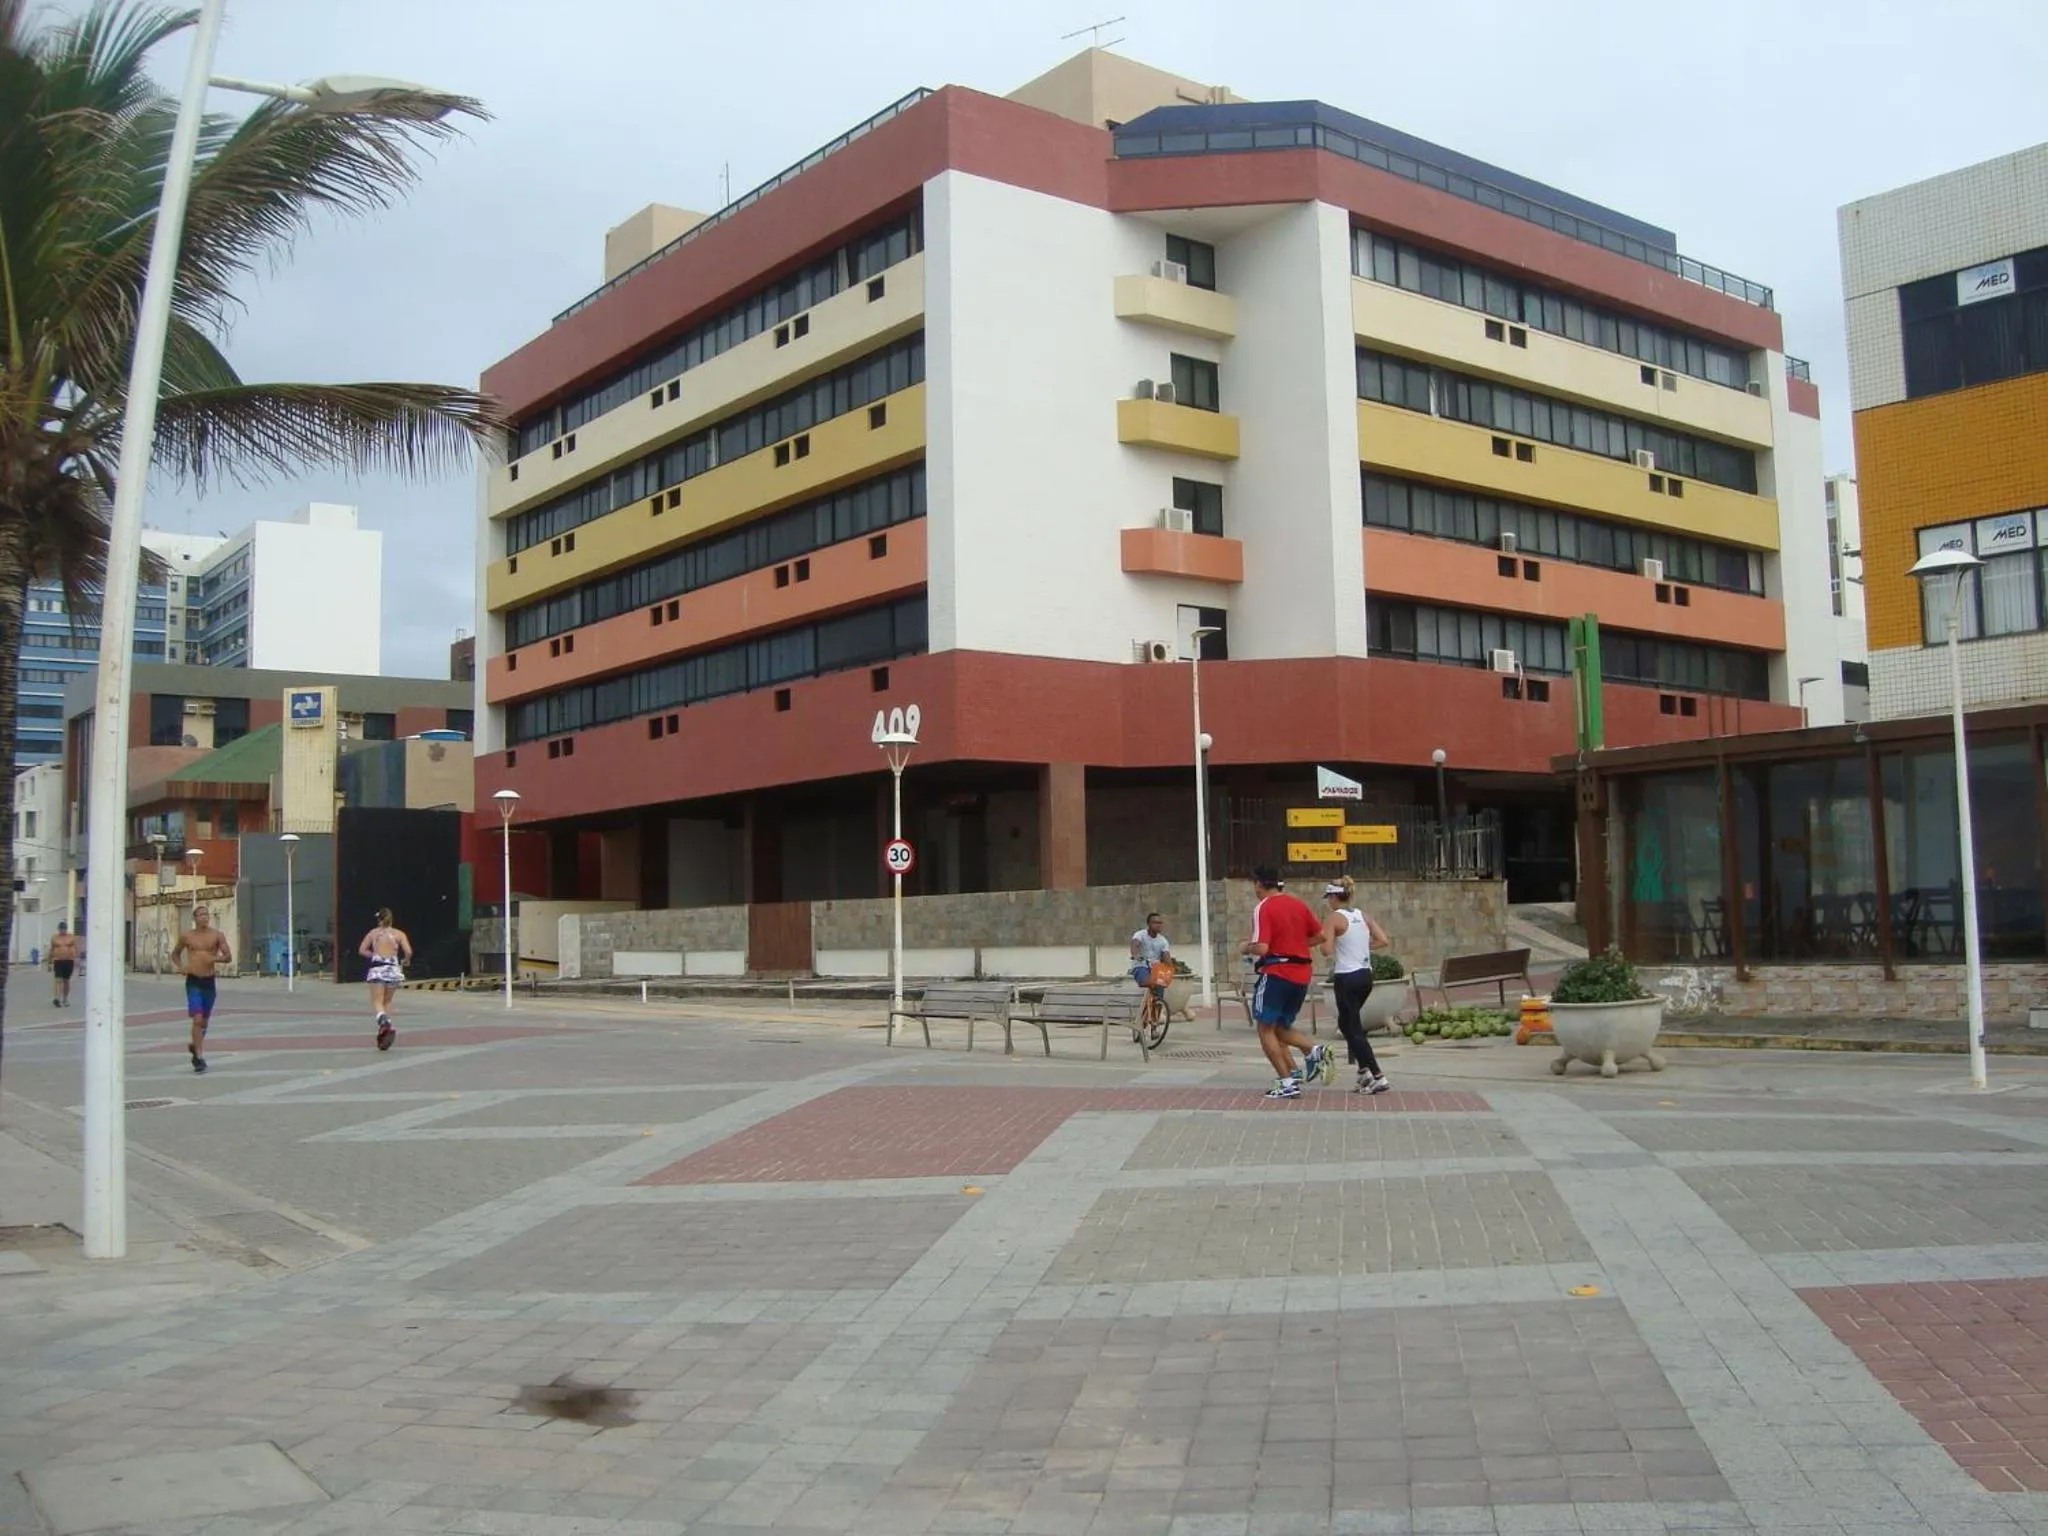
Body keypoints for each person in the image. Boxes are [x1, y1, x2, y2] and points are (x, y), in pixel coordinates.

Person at [1241, 866, 1331, 1099]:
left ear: (1259, 884)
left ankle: (1287, 1080)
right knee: (1280, 1028)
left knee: (1264, 1027)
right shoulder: (1298, 904)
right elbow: (1321, 935)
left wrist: (1246, 947)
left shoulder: (1264, 907)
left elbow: (1261, 947)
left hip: (1277, 971)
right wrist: (1297, 947)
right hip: (1302, 973)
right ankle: (1312, 1052)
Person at [1321, 876, 1393, 1095]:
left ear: (1334, 897)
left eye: (1329, 898)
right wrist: (1361, 946)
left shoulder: (1334, 918)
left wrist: (1323, 940)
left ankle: (1378, 1076)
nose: (1328, 902)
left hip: (1346, 977)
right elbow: (1383, 940)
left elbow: (1326, 950)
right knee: (1346, 1023)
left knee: (1353, 1029)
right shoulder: (1363, 915)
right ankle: (1363, 1072)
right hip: (1365, 976)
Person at [170, 905, 232, 1074]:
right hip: (193, 981)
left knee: (204, 1022)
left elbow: (228, 957)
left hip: (209, 982)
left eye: (207, 914)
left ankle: (195, 1045)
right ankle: (199, 1056)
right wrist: (181, 967)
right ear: (195, 918)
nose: (205, 917)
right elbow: (175, 954)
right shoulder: (187, 936)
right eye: (201, 915)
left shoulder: (216, 936)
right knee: (197, 1019)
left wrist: (214, 958)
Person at [358, 909, 413, 1051]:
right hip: (393, 969)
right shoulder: (399, 934)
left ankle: (384, 1022)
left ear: (379, 920)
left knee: (377, 1001)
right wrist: (406, 960)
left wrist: (374, 955)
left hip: (378, 968)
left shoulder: (373, 933)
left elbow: (362, 950)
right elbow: (408, 951)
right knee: (387, 1001)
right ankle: (387, 1026)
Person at [1128, 912, 1173, 1010]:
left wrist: (1170, 967)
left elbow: (1166, 956)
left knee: (1161, 985)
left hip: (1155, 968)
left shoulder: (1163, 941)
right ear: (1148, 924)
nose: (1158, 925)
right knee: (1146, 981)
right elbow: (1135, 945)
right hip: (1141, 964)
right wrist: (1135, 955)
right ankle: (1144, 1004)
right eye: (1155, 923)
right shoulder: (1140, 935)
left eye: (1160, 923)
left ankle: (1156, 1012)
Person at [47, 922, 80, 1008]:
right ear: (59, 929)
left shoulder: (71, 937)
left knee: (66, 981)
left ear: (66, 929)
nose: (62, 931)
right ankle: (57, 998)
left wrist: (77, 960)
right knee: (58, 979)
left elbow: (76, 949)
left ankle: (65, 999)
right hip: (58, 961)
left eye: (64, 929)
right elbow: (51, 950)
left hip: (69, 961)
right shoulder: (54, 938)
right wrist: (49, 962)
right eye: (61, 929)